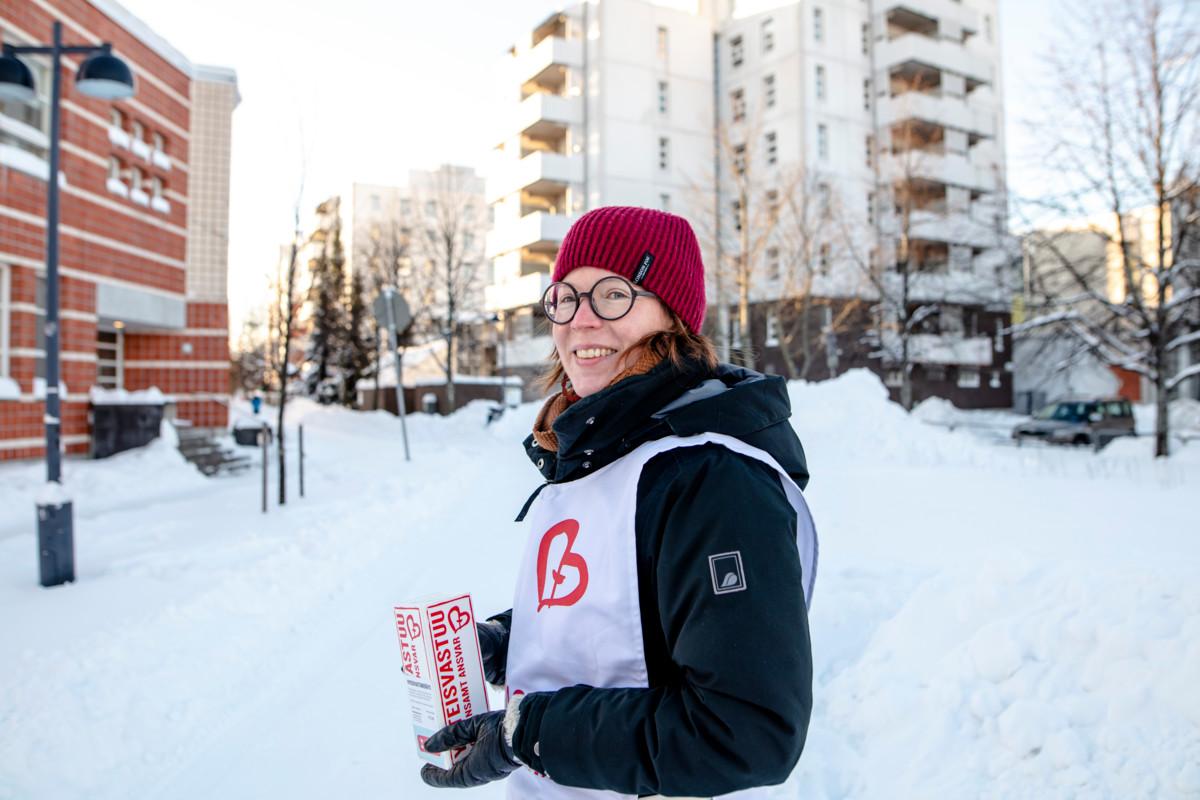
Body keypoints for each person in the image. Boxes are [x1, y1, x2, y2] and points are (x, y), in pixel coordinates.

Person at [419, 206, 818, 799]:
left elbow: (745, 733)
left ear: (672, 316)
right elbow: (621, 616)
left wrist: (528, 735)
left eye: (612, 295)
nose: (581, 320)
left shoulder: (712, 477)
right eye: (566, 296)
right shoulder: (601, 455)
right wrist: (511, 641)